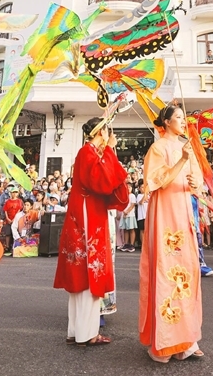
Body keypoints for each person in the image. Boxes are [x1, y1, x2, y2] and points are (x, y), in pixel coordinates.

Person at [53, 117, 128, 347]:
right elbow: (104, 183)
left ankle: (77, 330)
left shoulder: (89, 153)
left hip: (84, 214)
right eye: (106, 132)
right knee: (87, 273)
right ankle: (86, 333)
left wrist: (107, 151)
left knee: (81, 274)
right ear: (101, 133)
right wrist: (111, 150)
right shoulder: (88, 153)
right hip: (88, 217)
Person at [140, 105, 205, 362]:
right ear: (166, 122)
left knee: (187, 270)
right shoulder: (158, 148)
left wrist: (194, 182)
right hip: (165, 213)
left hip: (183, 210)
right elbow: (156, 181)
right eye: (177, 117)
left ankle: (187, 340)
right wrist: (182, 161)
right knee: (167, 271)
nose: (182, 121)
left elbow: (197, 180)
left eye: (183, 117)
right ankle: (165, 341)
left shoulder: (186, 147)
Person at [119, 182, 138, 252]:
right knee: (125, 230)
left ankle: (131, 245)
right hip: (124, 215)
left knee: (131, 229)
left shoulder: (132, 195)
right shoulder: (124, 195)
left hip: (130, 215)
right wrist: (124, 212)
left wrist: (127, 211)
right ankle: (126, 244)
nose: (128, 189)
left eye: (129, 187)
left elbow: (133, 205)